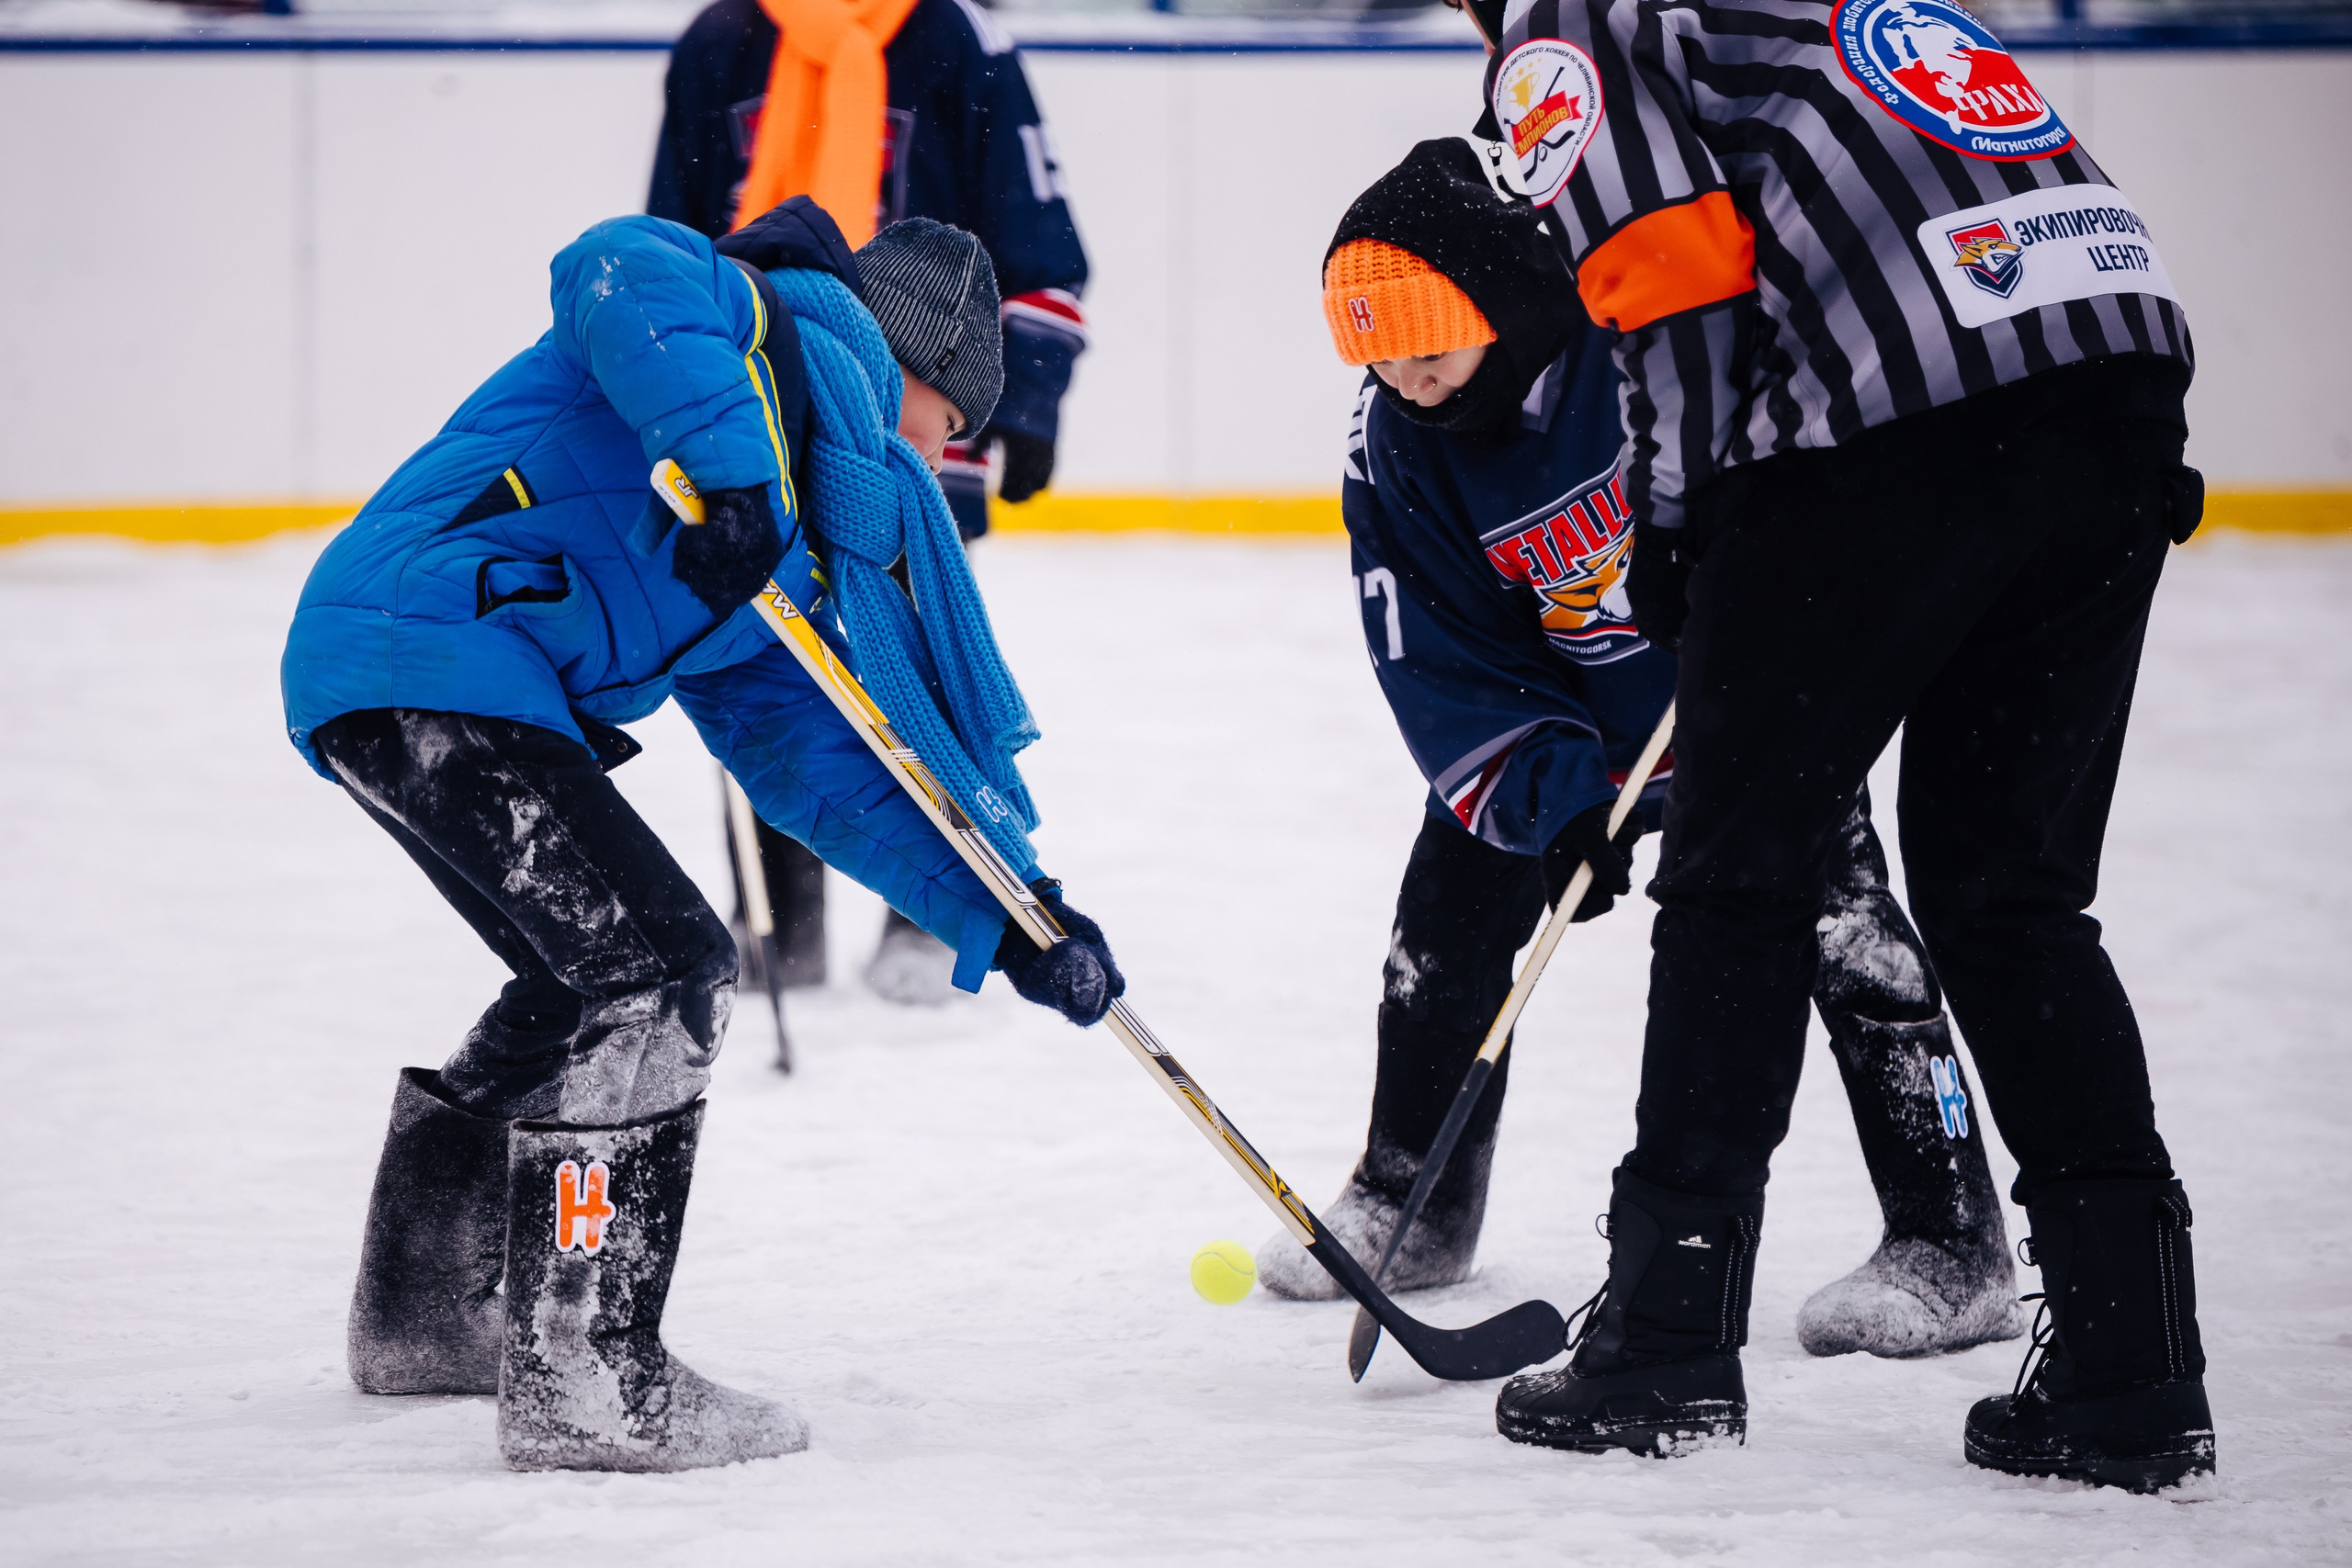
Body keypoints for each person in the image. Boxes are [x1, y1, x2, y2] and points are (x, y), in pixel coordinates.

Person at [1451, 0, 2211, 1490]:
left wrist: (1670, 521)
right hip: (2116, 388)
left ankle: (1666, 1332)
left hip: (1893, 428)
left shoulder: (1565, 21)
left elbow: (1664, 281)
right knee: (2011, 898)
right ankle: (2132, 1364)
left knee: (1741, 870)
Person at [280, 197, 1122, 1473]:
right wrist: (733, 474)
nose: (937, 465)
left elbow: (829, 768)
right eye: (950, 428)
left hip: (418, 673)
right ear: (910, 367)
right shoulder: (738, 317)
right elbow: (611, 265)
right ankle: (586, 1365)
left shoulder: (782, 558)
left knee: (582, 983)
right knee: (661, 974)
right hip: (434, 647)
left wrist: (1006, 917)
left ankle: (425, 1311)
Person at [1252, 138, 2019, 1371]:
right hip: (1561, 707)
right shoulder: (1398, 443)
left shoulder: (1641, 349)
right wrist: (1553, 798)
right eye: (1378, 352)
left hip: (1753, 704)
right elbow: (1439, 650)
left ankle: (1952, 1237)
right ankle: (1415, 1198)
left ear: (1500, 306)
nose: (1407, 375)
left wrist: (1777, 672)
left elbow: (1795, 491)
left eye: (1429, 343)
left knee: (1848, 935)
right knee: (1443, 925)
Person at [650, 0, 1091, 1005]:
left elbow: (1033, 225)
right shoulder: (721, 41)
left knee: (911, 661)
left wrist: (1024, 399)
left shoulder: (956, 35)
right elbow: (674, 244)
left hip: (918, 418)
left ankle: (927, 916)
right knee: (764, 647)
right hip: (761, 413)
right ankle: (781, 922)